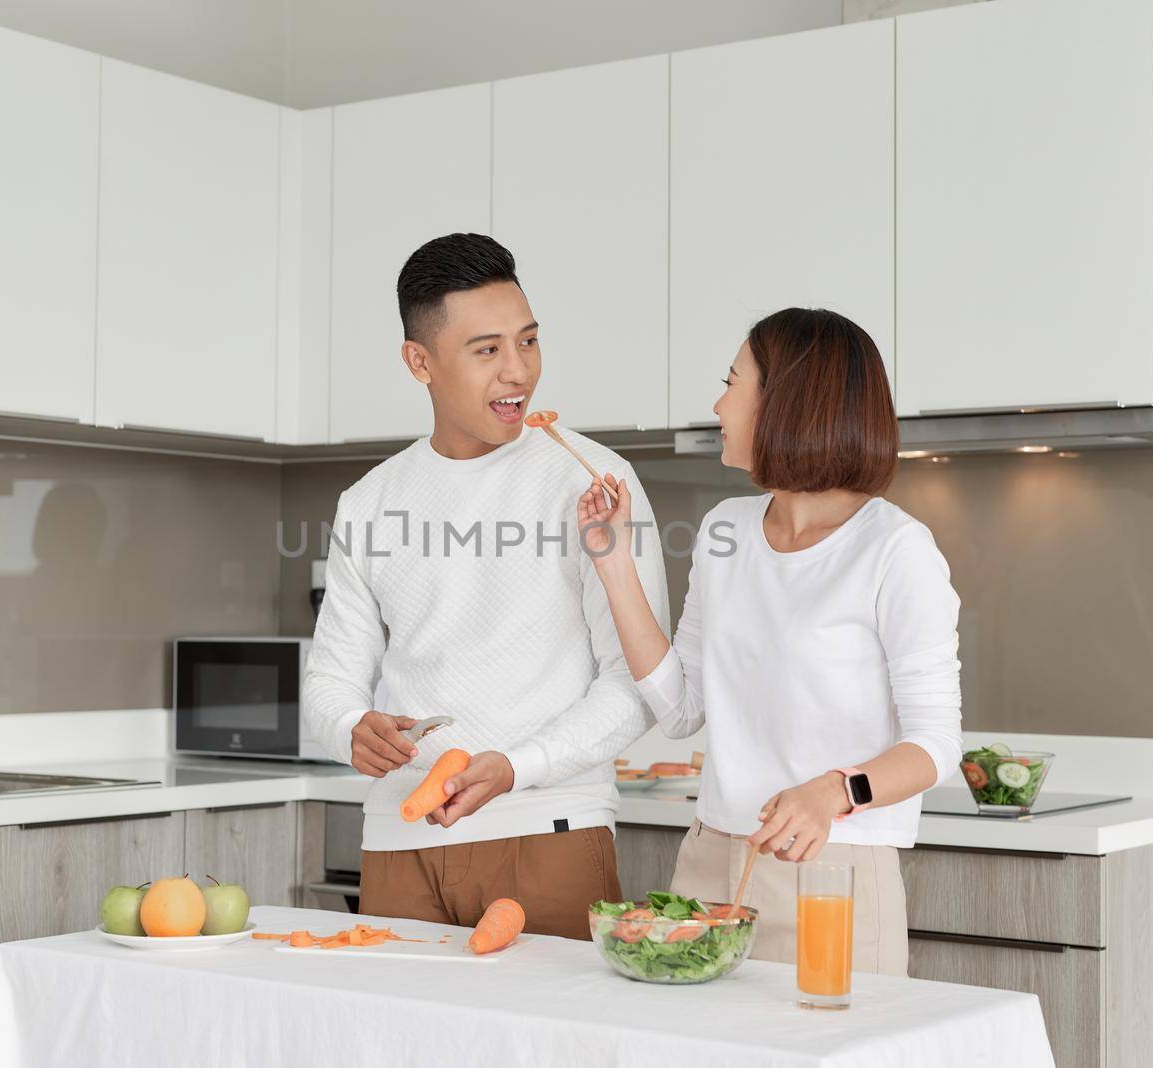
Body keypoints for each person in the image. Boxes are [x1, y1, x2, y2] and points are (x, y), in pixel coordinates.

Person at [302, 232, 669, 939]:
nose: (518, 372)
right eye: (487, 350)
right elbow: (330, 682)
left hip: (549, 832)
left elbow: (635, 686)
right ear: (420, 362)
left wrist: (517, 767)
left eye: (527, 342)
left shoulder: (592, 483)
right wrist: (351, 729)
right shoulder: (370, 500)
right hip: (399, 842)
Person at [576, 307, 962, 974]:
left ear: (787, 402)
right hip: (707, 861)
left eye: (733, 382)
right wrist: (613, 561)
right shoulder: (725, 530)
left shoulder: (896, 550)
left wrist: (835, 792)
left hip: (831, 873)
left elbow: (936, 744)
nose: (718, 403)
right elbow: (680, 709)